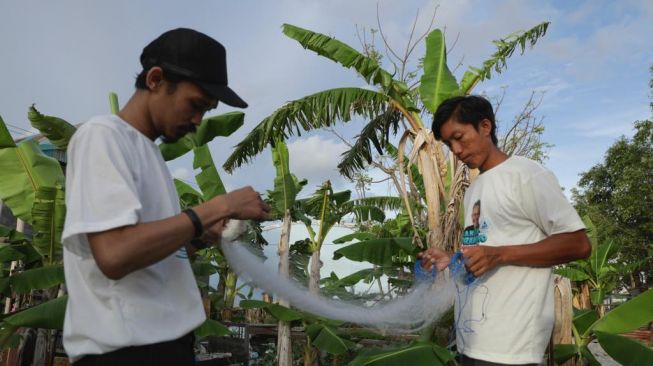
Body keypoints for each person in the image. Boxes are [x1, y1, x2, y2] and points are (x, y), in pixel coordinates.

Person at [61, 28, 270, 365]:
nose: (198, 119)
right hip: (125, 352)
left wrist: (200, 237)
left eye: (207, 110)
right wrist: (221, 205)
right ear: (156, 79)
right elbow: (114, 255)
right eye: (195, 104)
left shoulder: (149, 154)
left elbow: (150, 255)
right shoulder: (102, 137)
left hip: (163, 348)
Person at [420, 95, 591, 366]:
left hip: (511, 348)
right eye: (449, 144)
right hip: (472, 341)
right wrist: (451, 258)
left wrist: (498, 255)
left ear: (485, 126)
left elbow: (579, 244)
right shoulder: (474, 189)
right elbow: (486, 250)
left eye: (459, 137)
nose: (456, 149)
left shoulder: (526, 175)